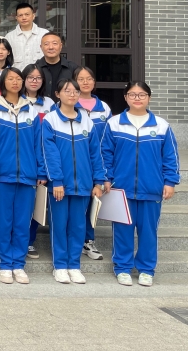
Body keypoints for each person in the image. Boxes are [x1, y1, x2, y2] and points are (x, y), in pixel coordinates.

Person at [101, 81, 180, 287]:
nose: (137, 98)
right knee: (122, 231)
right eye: (132, 94)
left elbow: (170, 157)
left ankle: (146, 269)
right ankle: (122, 268)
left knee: (148, 232)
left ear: (149, 98)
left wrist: (170, 181)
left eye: (142, 94)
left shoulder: (161, 125)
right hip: (121, 189)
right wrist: (106, 178)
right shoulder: (114, 123)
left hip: (151, 188)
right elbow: (105, 154)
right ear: (125, 97)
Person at [41, 79, 106, 285]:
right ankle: (60, 266)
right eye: (67, 91)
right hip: (60, 185)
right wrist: (57, 181)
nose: (72, 94)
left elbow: (95, 154)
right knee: (59, 226)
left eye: (75, 91)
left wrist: (98, 181)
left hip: (84, 185)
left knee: (78, 227)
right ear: (57, 94)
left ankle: (74, 265)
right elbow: (49, 154)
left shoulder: (86, 121)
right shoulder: (50, 120)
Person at [0, 67, 45, 285]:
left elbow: (38, 144)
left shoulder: (31, 111)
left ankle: (18, 264)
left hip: (28, 175)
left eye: (19, 79)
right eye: (11, 78)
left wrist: (40, 170)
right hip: (2, 176)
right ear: (3, 82)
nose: (16, 82)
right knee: (4, 222)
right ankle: (5, 264)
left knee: (22, 222)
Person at [74, 66, 112, 262]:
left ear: (94, 82)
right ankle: (74, 241)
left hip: (97, 164)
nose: (85, 82)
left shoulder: (104, 108)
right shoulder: (68, 103)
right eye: (80, 79)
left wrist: (105, 174)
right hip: (75, 164)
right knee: (76, 205)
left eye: (89, 78)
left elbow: (108, 141)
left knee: (92, 204)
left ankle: (88, 241)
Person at [22, 63, 57, 260]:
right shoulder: (17, 101)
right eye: (30, 77)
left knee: (38, 203)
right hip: (25, 157)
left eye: (38, 78)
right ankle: (20, 241)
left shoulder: (49, 103)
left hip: (46, 157)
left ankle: (29, 241)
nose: (34, 81)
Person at [36, 32, 78, 102]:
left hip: (66, 107)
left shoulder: (72, 68)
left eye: (54, 43)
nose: (51, 47)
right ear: (41, 47)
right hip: (40, 107)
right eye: (46, 44)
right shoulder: (35, 68)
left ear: (61, 46)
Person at [5, 3, 48, 70]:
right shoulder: (9, 37)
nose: (24, 18)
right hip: (17, 75)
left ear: (33, 16)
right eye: (20, 15)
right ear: (16, 18)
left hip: (40, 75)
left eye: (27, 14)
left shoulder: (44, 34)